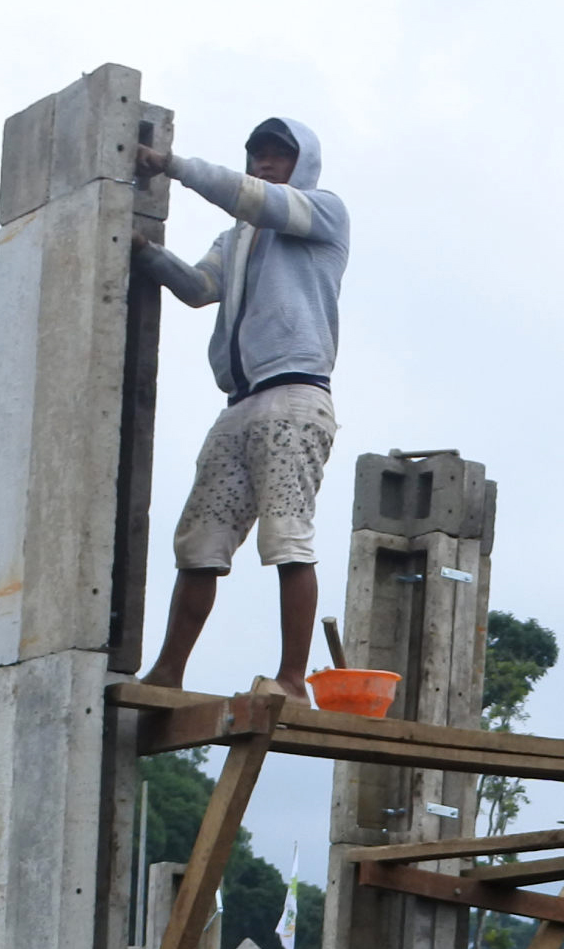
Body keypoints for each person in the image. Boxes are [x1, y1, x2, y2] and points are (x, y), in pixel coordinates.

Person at [133, 118, 351, 699]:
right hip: (240, 403)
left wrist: (171, 165)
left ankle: (291, 679)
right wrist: (143, 251)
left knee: (286, 537)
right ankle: (169, 671)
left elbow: (251, 197)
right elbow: (198, 287)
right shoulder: (236, 240)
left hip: (295, 395)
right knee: (200, 541)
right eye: (257, 155)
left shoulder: (322, 211)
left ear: (302, 164)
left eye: (278, 155)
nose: (264, 164)